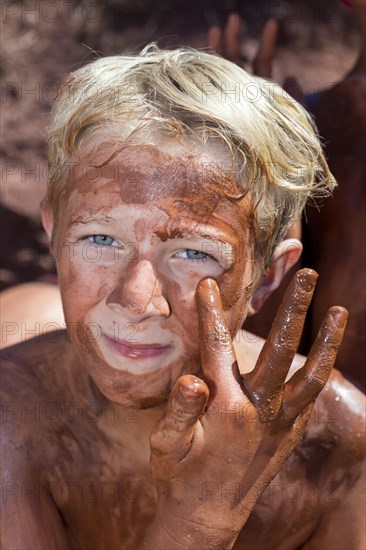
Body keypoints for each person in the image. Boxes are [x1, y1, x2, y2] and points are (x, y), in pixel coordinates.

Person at [1, 45, 365, 549]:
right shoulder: (12, 418)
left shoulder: (340, 441)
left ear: (267, 277)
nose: (137, 299)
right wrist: (201, 520)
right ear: (54, 234)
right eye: (100, 240)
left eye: (194, 253)